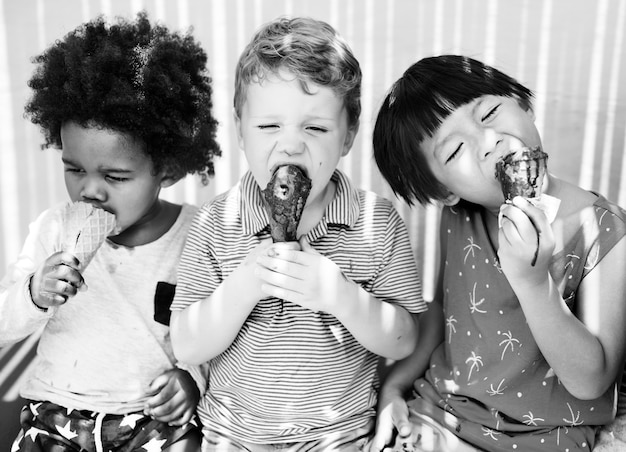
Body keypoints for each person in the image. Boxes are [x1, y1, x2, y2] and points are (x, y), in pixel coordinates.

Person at [169, 16, 426, 451]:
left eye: (317, 128)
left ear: (348, 136)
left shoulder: (375, 223)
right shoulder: (216, 222)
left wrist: (341, 295)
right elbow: (187, 344)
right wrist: (248, 283)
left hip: (340, 438)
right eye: (269, 126)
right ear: (240, 129)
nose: (290, 145)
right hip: (233, 438)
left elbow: (403, 340)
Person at [369, 54, 626, 452]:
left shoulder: (603, 231)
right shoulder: (458, 218)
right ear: (445, 192)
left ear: (524, 105)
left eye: (489, 112)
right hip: (442, 415)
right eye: (454, 152)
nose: (489, 142)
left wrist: (534, 283)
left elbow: (593, 381)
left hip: (548, 437)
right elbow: (442, 313)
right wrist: (395, 388)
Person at [0, 12, 220, 452]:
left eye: (116, 176)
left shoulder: (200, 235)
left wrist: (193, 379)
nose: (90, 190)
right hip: (55, 411)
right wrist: (34, 292)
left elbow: (219, 331)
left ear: (169, 169)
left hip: (151, 420)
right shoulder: (53, 228)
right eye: (74, 169)